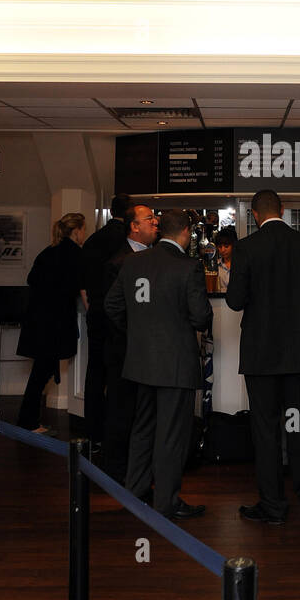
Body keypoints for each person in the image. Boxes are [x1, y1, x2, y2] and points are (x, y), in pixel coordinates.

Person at [224, 188, 300, 523]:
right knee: (299, 424)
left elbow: (234, 301)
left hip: (260, 355)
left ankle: (273, 505)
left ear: (255, 215)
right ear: (283, 210)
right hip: (297, 352)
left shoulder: (245, 248)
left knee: (266, 429)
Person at [104, 207, 211, 519]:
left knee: (142, 430)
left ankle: (135, 494)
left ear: (161, 230)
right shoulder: (188, 267)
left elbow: (112, 305)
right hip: (175, 364)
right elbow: (201, 317)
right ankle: (166, 502)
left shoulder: (133, 262)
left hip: (140, 361)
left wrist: (137, 333)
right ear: (185, 234)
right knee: (171, 435)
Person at [98, 203, 159, 482]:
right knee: (121, 410)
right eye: (149, 219)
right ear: (134, 226)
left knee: (144, 412)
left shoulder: (155, 258)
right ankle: (116, 472)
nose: (155, 222)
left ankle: (140, 470)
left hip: (148, 353)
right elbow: (111, 309)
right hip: (124, 351)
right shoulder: (118, 263)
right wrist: (136, 334)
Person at [16, 212, 85, 433]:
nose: (85, 234)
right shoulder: (75, 255)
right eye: (83, 229)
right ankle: (28, 422)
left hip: (39, 320)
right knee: (41, 373)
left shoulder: (48, 252)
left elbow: (32, 279)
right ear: (76, 231)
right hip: (55, 323)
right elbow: (79, 287)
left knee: (40, 372)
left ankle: (28, 420)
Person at [79, 195, 129, 451]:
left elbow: (83, 282)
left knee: (95, 371)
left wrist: (91, 305)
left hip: (96, 311)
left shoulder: (92, 240)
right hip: (119, 316)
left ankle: (93, 433)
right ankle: (115, 434)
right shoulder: (126, 242)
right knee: (119, 374)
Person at [214, 226, 237, 292]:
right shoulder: (216, 266)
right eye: (220, 247)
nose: (222, 250)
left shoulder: (240, 265)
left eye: (226, 246)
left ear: (233, 245)